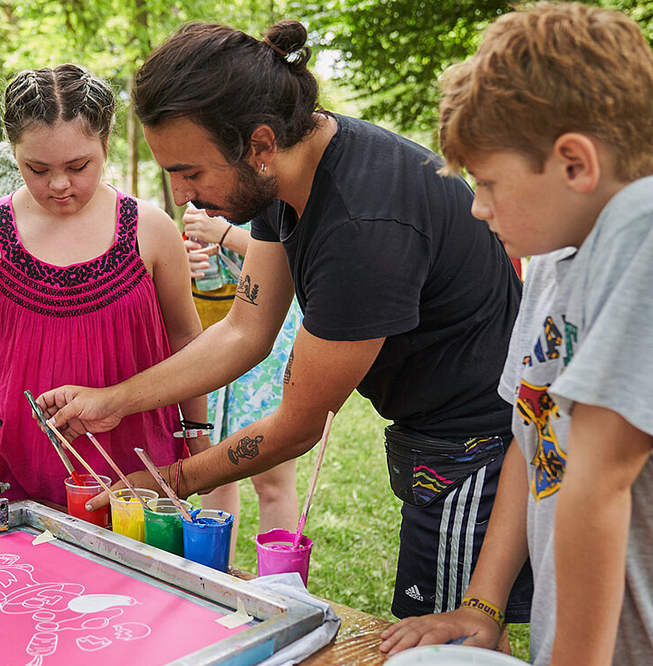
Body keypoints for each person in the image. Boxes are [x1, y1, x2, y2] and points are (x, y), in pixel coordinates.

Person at [39, 20, 531, 622]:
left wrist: (171, 480)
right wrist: (116, 399)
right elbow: (243, 331)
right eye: (171, 172)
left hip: (474, 450)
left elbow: (299, 426)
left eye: (191, 171)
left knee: (452, 642)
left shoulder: (361, 228)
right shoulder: (285, 180)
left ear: (261, 145)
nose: (182, 195)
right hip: (433, 440)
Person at [379, 4, 653, 664]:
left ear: (574, 164)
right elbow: (534, 448)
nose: (478, 206)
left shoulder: (642, 231)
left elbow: (598, 477)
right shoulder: (556, 262)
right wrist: (481, 605)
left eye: (489, 181)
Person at [0, 65, 206, 517]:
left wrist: (196, 433)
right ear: (12, 152)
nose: (59, 185)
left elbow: (187, 341)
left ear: (106, 143)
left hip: (137, 470)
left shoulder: (152, 230)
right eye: (36, 169)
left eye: (79, 166)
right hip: (16, 472)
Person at [184, 207, 302, 537]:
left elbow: (296, 252)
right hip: (218, 342)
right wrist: (191, 261)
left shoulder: (276, 183)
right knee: (213, 476)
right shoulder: (203, 192)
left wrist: (222, 234)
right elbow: (208, 273)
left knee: (272, 482)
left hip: (271, 350)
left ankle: (277, 588)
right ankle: (211, 583)